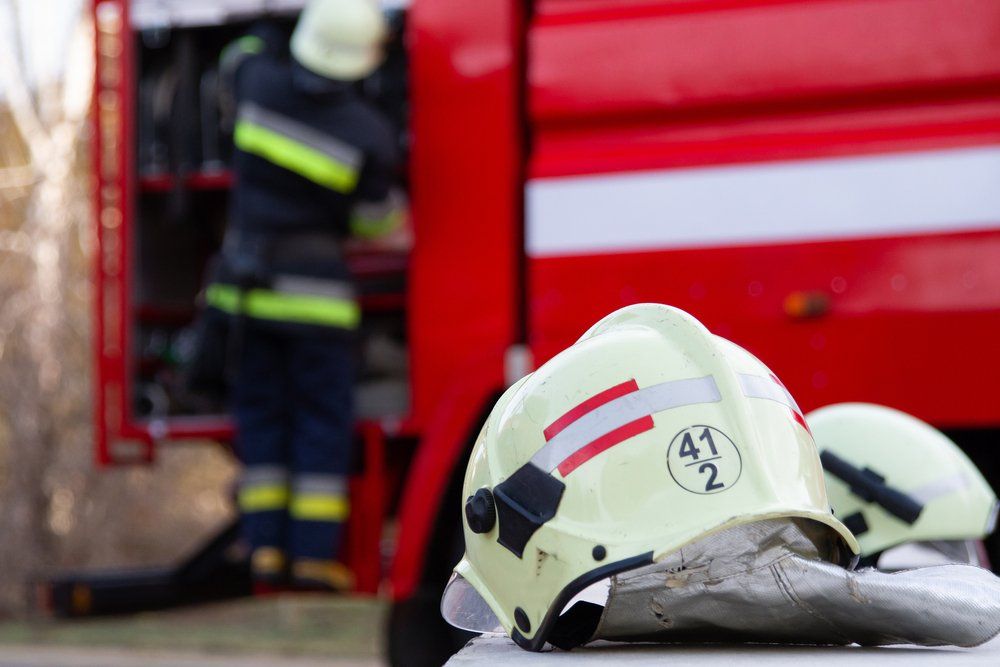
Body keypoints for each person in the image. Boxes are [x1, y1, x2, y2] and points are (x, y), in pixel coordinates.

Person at [208, 0, 403, 591]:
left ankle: (265, 548)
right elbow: (374, 222)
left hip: (247, 295)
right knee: (321, 422)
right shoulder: (369, 133)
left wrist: (268, 32)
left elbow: (236, 55)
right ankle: (315, 556)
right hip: (319, 302)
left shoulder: (257, 84)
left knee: (261, 417)